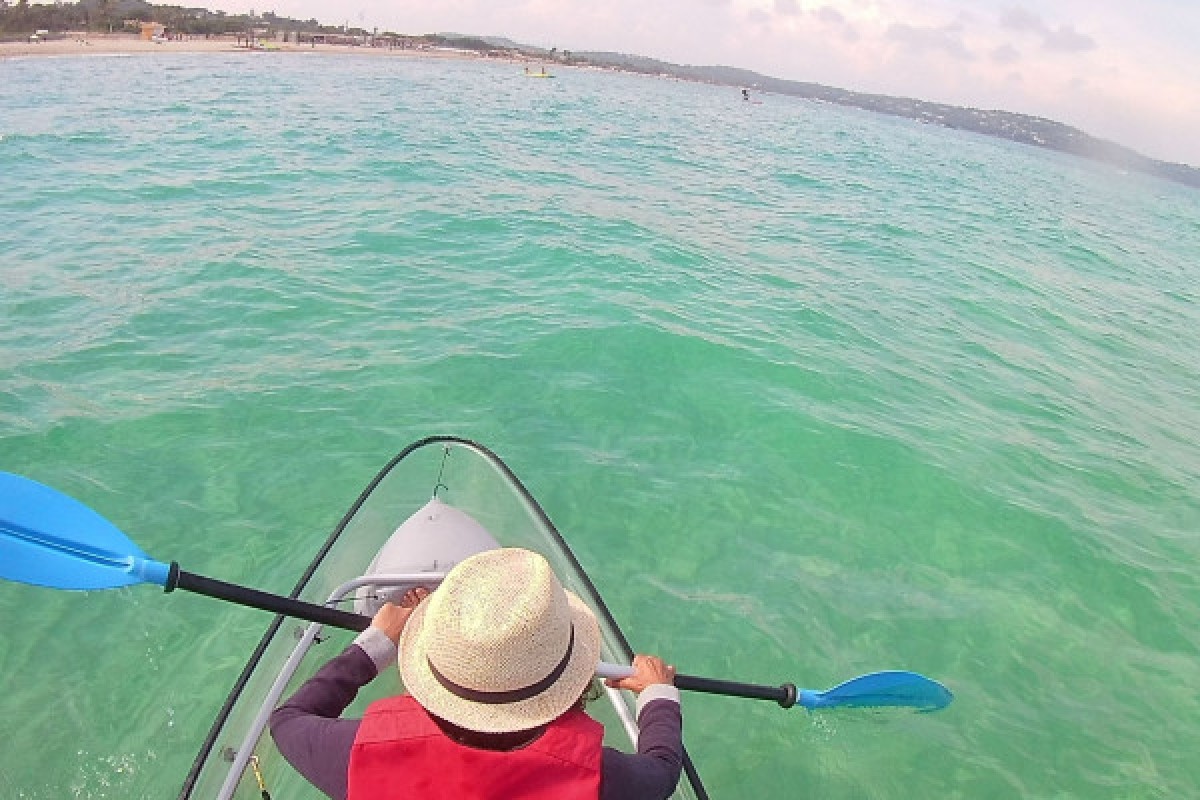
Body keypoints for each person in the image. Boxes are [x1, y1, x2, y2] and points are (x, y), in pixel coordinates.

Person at [270, 548, 684, 799]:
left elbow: (287, 720)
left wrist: (375, 645)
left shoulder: (361, 754)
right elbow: (662, 770)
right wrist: (657, 694)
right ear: (567, 682)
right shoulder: (599, 780)